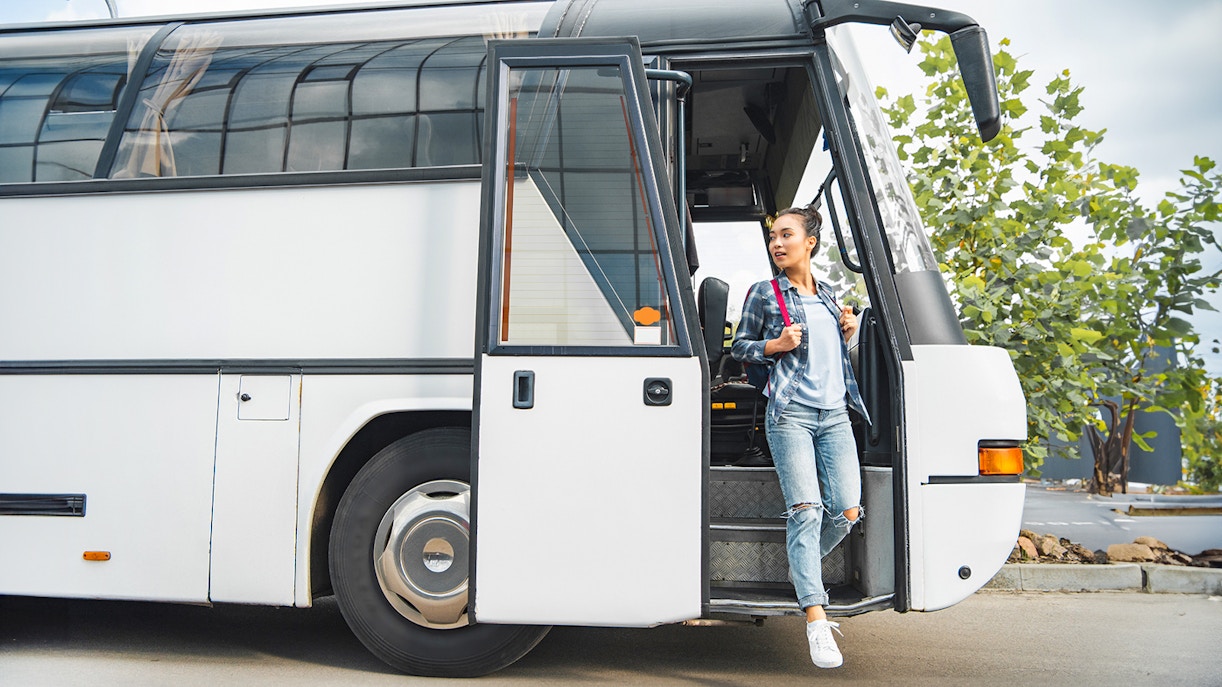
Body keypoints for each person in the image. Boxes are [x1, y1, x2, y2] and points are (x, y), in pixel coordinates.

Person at [730, 204, 869, 669]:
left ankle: (799, 564)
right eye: (773, 236)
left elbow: (837, 360)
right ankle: (815, 615)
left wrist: (848, 331)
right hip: (789, 414)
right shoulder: (765, 293)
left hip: (835, 417)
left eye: (785, 234)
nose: (776, 243)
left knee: (847, 511)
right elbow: (738, 347)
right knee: (806, 511)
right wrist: (775, 345)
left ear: (809, 242)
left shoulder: (830, 296)